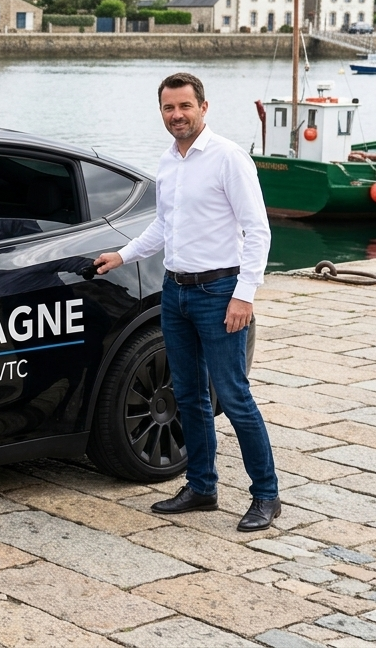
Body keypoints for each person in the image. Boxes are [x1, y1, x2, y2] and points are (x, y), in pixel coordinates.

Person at [94, 72, 280, 532]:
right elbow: (163, 226)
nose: (176, 115)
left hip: (220, 293)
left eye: (184, 106)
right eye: (168, 108)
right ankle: (201, 487)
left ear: (203, 107)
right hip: (175, 291)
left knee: (233, 396)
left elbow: (258, 231)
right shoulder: (167, 161)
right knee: (188, 395)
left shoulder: (228, 158)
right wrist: (123, 255)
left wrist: (244, 295)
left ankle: (266, 495)